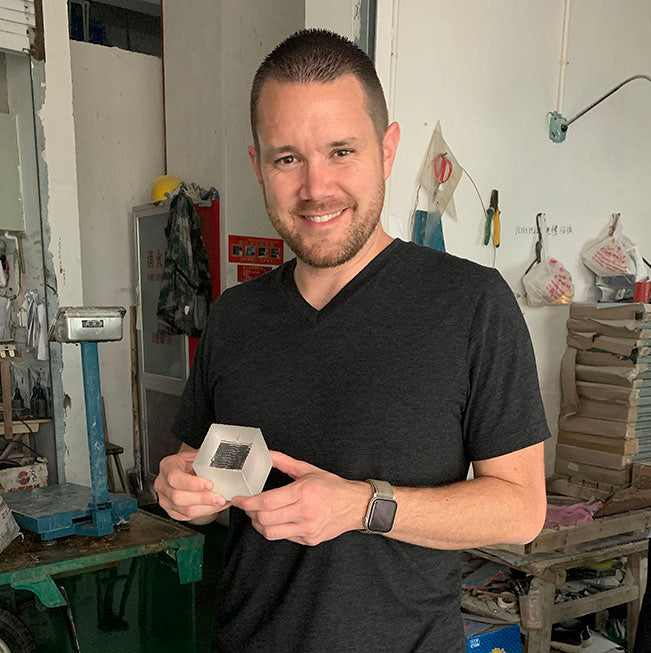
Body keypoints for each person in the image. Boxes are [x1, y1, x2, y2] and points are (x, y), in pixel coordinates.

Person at [155, 28, 549, 652]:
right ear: (258, 165)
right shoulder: (234, 316)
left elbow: (522, 511)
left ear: (387, 150)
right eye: (288, 158)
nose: (316, 188)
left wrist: (365, 506)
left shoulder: (472, 304)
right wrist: (184, 490)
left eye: (342, 151)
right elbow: (196, 466)